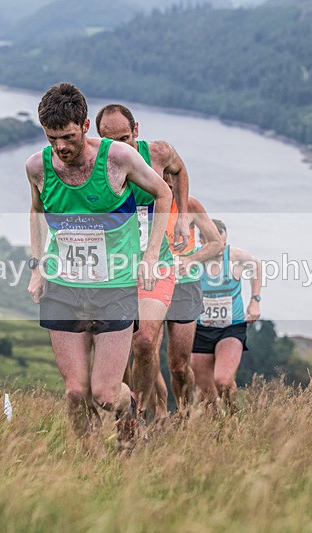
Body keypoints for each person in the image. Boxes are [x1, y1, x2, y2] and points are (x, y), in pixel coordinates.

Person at [25, 83, 172, 446]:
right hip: (64, 287)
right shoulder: (36, 167)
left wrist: (151, 254)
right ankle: (88, 464)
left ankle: (132, 410)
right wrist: (37, 266)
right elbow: (37, 210)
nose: (61, 146)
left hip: (114, 288)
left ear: (85, 126)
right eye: (52, 137)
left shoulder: (117, 158)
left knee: (106, 394)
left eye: (68, 136)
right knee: (75, 392)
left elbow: (163, 193)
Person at [94, 103, 189, 422]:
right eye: (113, 141)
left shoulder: (158, 153)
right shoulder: (95, 163)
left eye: (126, 138)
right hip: (116, 270)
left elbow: (180, 171)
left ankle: (143, 414)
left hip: (157, 263)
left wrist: (182, 216)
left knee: (146, 342)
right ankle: (132, 415)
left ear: (137, 129)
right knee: (120, 357)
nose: (121, 147)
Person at [190, 219, 262, 414]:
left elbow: (256, 265)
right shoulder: (193, 259)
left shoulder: (235, 257)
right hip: (201, 329)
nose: (220, 250)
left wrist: (255, 300)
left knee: (222, 380)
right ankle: (219, 428)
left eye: (223, 244)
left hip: (231, 327)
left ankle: (233, 413)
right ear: (202, 242)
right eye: (214, 245)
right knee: (207, 393)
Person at [163, 181, 222, 414]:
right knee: (144, 349)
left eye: (172, 175)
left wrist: (191, 260)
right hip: (149, 284)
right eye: (161, 173)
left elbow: (216, 243)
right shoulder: (140, 202)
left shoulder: (190, 205)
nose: (167, 180)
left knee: (178, 366)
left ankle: (183, 410)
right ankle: (150, 414)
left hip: (184, 287)